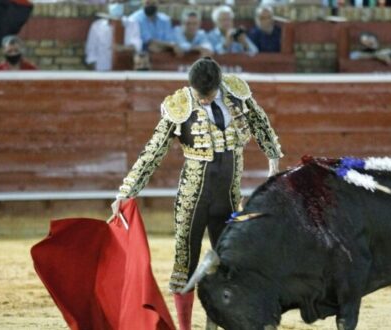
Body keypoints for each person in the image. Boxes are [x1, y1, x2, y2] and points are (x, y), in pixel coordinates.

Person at [111, 57, 283, 330]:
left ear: (219, 85)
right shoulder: (179, 105)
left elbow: (260, 123)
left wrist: (273, 159)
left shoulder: (236, 93)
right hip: (194, 198)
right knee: (185, 266)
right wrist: (127, 190)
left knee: (228, 265)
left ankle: (221, 323)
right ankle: (185, 328)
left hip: (228, 199)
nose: (202, 100)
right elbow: (153, 152)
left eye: (208, 95)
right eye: (198, 95)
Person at [85, 0, 142, 71]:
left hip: (125, 69)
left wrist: (123, 48)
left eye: (120, 3)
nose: (117, 5)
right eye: (113, 2)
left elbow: (137, 45)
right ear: (107, 5)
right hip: (102, 70)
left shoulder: (132, 24)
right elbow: (91, 51)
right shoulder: (97, 26)